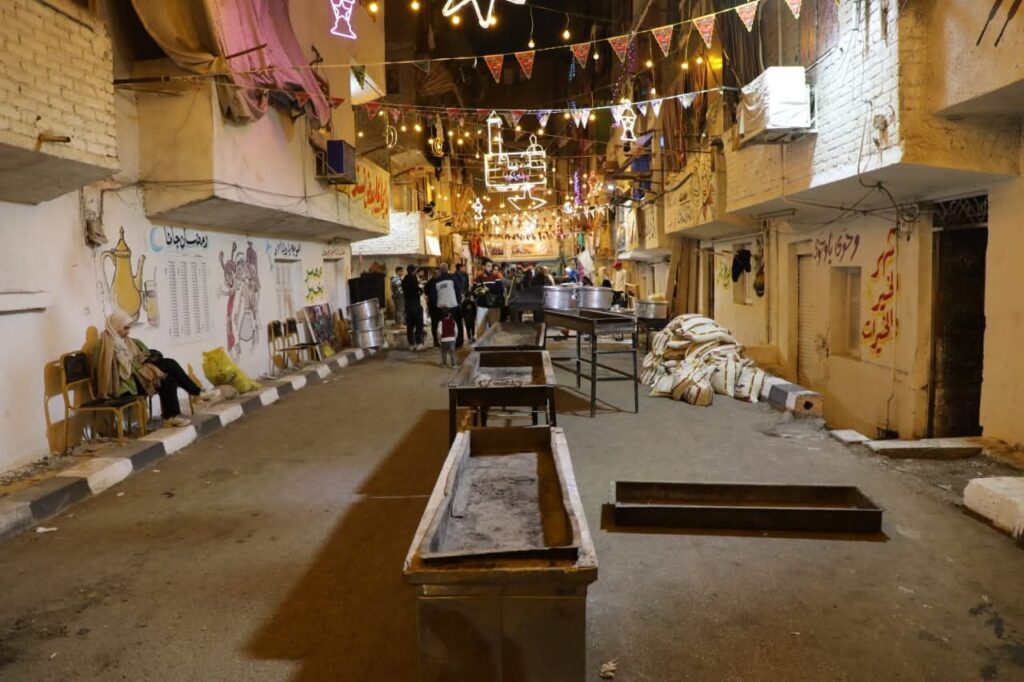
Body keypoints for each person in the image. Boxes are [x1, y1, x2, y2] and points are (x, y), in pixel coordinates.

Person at [94, 312, 216, 428]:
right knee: (169, 364)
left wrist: (141, 359)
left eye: (129, 328)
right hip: (125, 386)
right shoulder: (103, 346)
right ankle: (196, 394)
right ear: (115, 327)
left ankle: (170, 417)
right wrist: (131, 363)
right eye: (125, 328)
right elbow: (100, 370)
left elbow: (140, 356)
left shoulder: (130, 342)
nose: (128, 331)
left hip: (140, 377)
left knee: (168, 378)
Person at [402, 264, 425, 350]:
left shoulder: (404, 279)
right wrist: (421, 290)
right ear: (413, 271)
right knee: (419, 325)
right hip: (415, 305)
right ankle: (418, 343)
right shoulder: (413, 278)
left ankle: (411, 344)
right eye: (415, 270)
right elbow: (416, 290)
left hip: (408, 306)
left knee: (410, 326)